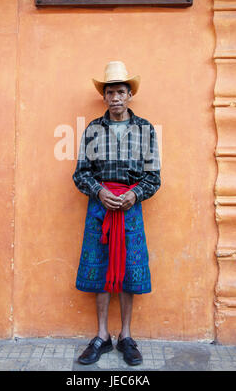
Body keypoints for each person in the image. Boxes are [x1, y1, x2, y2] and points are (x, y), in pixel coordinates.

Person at [73, 61, 161, 366]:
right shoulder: (93, 130)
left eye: (121, 91)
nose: (116, 97)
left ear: (129, 94)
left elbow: (154, 177)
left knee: (129, 270)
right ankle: (101, 336)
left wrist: (133, 195)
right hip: (100, 208)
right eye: (110, 92)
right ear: (104, 96)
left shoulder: (145, 129)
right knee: (99, 270)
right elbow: (80, 174)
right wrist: (99, 191)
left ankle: (125, 336)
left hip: (130, 210)